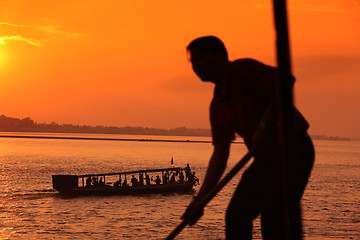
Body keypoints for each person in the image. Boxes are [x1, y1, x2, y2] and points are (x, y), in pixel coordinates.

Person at [181, 36, 314, 239]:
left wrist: (264, 125)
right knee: (236, 216)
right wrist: (200, 201)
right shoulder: (217, 105)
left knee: (274, 218)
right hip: (265, 158)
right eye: (193, 61)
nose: (197, 65)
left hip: (293, 149)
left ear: (221, 56)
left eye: (202, 58)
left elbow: (286, 80)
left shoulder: (242, 70)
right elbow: (220, 154)